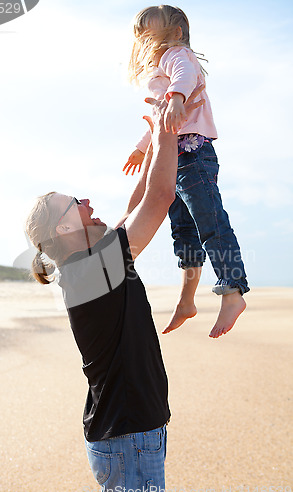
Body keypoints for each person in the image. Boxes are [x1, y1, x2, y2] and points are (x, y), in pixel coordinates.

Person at [25, 89, 204, 492]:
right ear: (64, 229)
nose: (86, 200)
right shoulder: (90, 272)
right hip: (128, 438)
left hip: (126, 435)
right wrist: (166, 133)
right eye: (75, 203)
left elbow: (138, 203)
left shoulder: (88, 265)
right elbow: (160, 200)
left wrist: (156, 144)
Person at [123, 5, 249, 339]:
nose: (149, 42)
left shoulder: (177, 54)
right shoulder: (161, 64)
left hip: (192, 152)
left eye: (154, 34)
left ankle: (232, 288)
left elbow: (184, 79)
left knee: (210, 220)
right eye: (144, 37)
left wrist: (177, 96)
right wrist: (142, 145)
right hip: (170, 158)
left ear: (175, 33)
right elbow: (162, 117)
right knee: (183, 231)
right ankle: (187, 299)